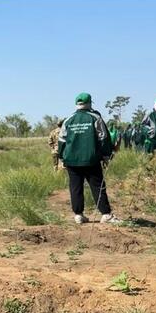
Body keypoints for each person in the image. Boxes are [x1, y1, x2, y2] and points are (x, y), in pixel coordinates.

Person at [58, 92, 121, 224]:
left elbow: (61, 141)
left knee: (75, 187)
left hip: (71, 161)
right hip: (91, 159)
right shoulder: (95, 118)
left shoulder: (68, 120)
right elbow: (103, 138)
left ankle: (78, 215)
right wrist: (106, 155)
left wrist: (62, 158)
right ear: (89, 103)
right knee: (98, 186)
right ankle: (106, 214)